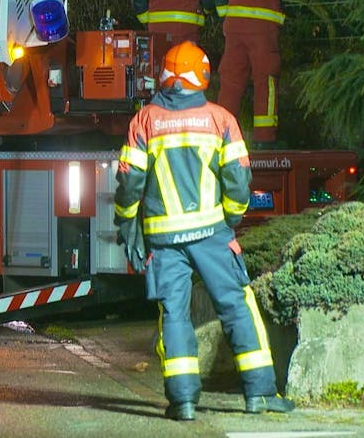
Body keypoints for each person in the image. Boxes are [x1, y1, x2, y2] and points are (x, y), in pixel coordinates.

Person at [114, 41, 294, 421]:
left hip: (163, 241)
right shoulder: (221, 119)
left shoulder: (144, 121)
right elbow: (239, 182)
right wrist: (228, 220)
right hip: (212, 234)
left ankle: (183, 402)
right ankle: (259, 394)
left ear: (164, 76)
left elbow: (130, 184)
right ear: (204, 76)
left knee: (174, 315)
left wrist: (127, 221)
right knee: (236, 306)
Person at [215, 0, 299, 147]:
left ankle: (221, 138)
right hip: (262, 34)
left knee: (230, 83)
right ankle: (265, 139)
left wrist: (226, 21)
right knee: (266, 82)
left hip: (234, 33)